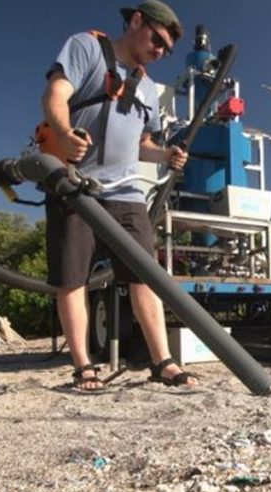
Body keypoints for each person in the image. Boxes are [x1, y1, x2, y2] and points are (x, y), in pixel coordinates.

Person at [42, 1, 196, 391]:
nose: (160, 51)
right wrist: (63, 134)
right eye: (156, 39)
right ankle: (83, 367)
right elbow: (56, 95)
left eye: (167, 49)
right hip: (75, 184)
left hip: (126, 192)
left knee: (146, 275)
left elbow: (143, 143)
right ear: (136, 21)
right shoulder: (87, 48)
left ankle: (162, 362)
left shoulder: (145, 86)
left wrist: (165, 154)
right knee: (73, 278)